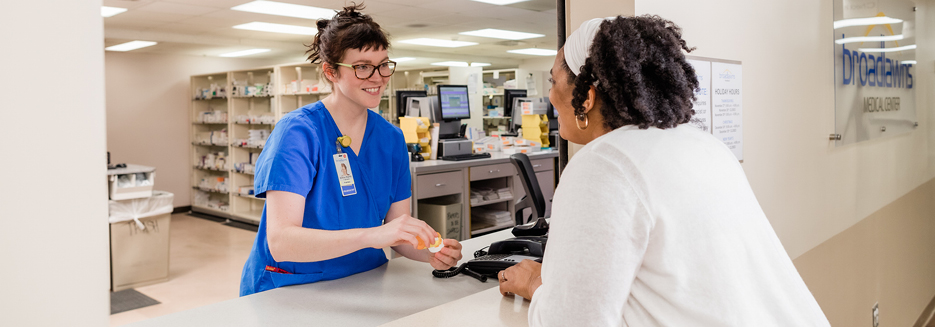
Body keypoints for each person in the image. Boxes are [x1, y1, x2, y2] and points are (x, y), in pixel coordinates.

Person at [497, 15, 830, 326]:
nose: (550, 95)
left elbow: (572, 322)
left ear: (586, 98)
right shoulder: (704, 145)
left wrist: (536, 286)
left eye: (554, 81)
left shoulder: (602, 164)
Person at [240, 4, 462, 296]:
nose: (378, 77)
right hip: (291, 287)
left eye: (383, 64)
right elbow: (281, 243)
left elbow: (396, 233)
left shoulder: (391, 139)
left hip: (363, 282)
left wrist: (430, 253)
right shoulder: (298, 133)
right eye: (362, 67)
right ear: (331, 72)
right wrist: (374, 235)